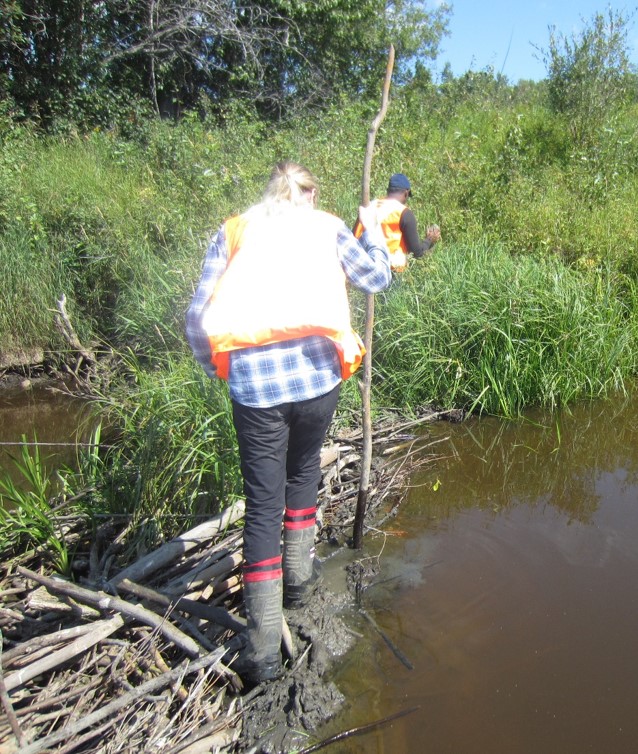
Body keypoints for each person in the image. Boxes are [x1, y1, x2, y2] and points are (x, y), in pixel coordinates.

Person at [185, 161, 391, 685]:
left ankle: (260, 654)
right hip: (319, 383)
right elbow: (376, 277)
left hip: (255, 390)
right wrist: (371, 229)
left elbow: (196, 319)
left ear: (270, 192)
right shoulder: (327, 226)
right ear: (311, 194)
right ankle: (298, 587)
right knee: (303, 478)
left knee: (261, 510)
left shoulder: (235, 230)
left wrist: (220, 370)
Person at [354, 172, 441, 272]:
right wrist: (429, 240)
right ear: (406, 193)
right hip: (389, 272)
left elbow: (353, 236)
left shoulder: (368, 207)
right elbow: (417, 253)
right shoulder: (404, 213)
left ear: (388, 191)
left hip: (359, 268)